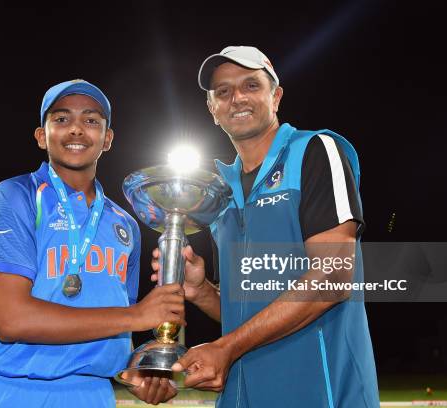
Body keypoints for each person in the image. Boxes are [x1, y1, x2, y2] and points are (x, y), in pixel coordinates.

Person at [152, 46, 380, 407]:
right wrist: (203, 292)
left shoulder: (316, 150)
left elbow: (334, 277)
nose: (236, 98)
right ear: (212, 110)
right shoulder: (221, 193)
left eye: (251, 86)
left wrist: (225, 347)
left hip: (321, 395)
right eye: (222, 92)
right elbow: (249, 310)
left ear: (276, 96)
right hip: (242, 396)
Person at [0, 79, 181, 407]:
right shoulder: (14, 197)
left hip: (93, 395)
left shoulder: (126, 225)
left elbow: (112, 324)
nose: (76, 129)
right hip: (9, 391)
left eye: (91, 120)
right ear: (41, 136)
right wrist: (137, 315)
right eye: (61, 119)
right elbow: (11, 320)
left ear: (108, 139)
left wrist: (133, 370)